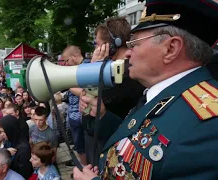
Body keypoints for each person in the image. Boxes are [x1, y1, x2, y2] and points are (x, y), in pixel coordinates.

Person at [74, 1, 218, 179]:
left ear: (171, 48)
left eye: (135, 43)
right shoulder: (163, 92)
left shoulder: (208, 126)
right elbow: (137, 137)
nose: (127, 52)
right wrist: (103, 115)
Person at [83, 17, 145, 165]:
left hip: (112, 147)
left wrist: (92, 71)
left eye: (96, 44)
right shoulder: (115, 71)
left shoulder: (124, 75)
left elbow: (88, 112)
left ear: (111, 45)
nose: (94, 49)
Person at [61, 45, 89, 166]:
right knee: (79, 145)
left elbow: (87, 92)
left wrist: (69, 85)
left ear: (75, 56)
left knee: (81, 146)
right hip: (75, 116)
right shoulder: (77, 68)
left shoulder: (87, 68)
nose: (66, 64)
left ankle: (85, 169)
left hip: (81, 117)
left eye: (67, 60)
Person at [0, 115, 33, 179]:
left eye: (4, 131)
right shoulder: (9, 140)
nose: (2, 134)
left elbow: (24, 173)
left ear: (10, 130)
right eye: (1, 131)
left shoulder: (24, 150)